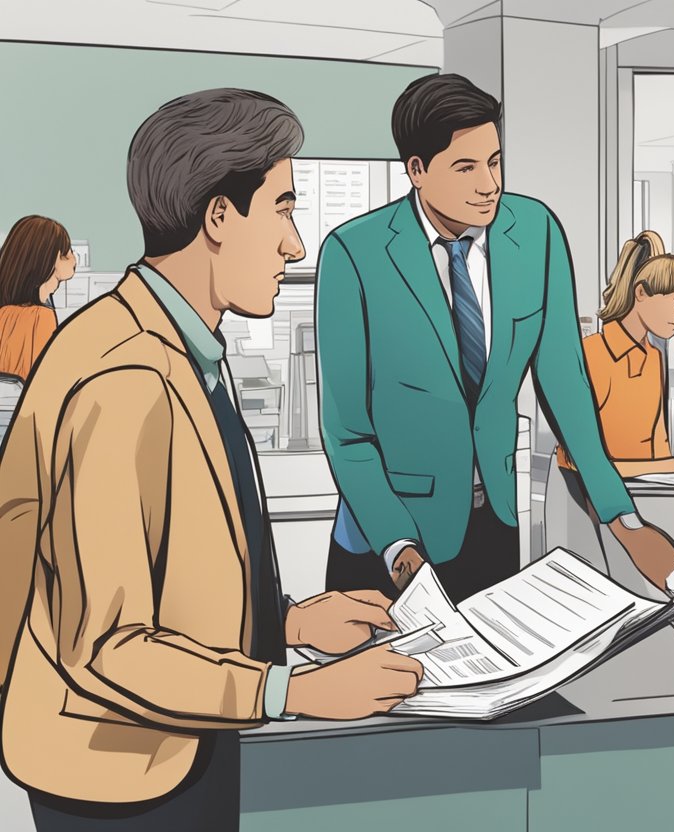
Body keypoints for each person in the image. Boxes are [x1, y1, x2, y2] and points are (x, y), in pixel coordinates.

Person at [0, 89, 425, 831]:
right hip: (121, 776)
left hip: (173, 741)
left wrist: (288, 624)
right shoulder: (125, 378)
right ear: (219, 217)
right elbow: (108, 645)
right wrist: (291, 691)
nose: (295, 247)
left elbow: (178, 576)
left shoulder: (183, 346)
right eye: (285, 209)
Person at [317, 74, 674, 606]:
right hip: (388, 540)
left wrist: (622, 519)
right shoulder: (354, 254)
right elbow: (347, 432)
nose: (489, 183)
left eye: (494, 161)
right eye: (465, 167)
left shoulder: (535, 233)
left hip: (491, 527)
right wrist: (399, 549)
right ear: (417, 170)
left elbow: (565, 385)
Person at [556, 230, 674, 478]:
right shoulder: (590, 355)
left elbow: (659, 452)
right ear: (641, 293)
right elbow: (581, 464)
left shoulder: (653, 358)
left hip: (647, 496)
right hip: (588, 504)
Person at [0, 215, 77, 382]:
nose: (73, 257)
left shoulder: (5, 313)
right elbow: (43, 382)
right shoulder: (40, 317)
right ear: (51, 259)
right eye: (67, 252)